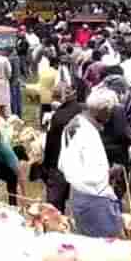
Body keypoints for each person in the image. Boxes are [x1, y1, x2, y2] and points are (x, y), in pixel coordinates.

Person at [59, 88, 124, 261]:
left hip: (81, 195)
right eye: (111, 112)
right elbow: (94, 175)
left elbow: (64, 164)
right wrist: (110, 173)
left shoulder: (76, 124)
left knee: (87, 249)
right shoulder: (84, 132)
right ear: (104, 111)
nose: (111, 117)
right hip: (93, 197)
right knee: (101, 252)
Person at [42, 81, 84, 213]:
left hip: (59, 161)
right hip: (78, 161)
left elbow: (51, 143)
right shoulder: (82, 110)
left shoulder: (59, 116)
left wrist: (47, 165)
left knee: (54, 203)